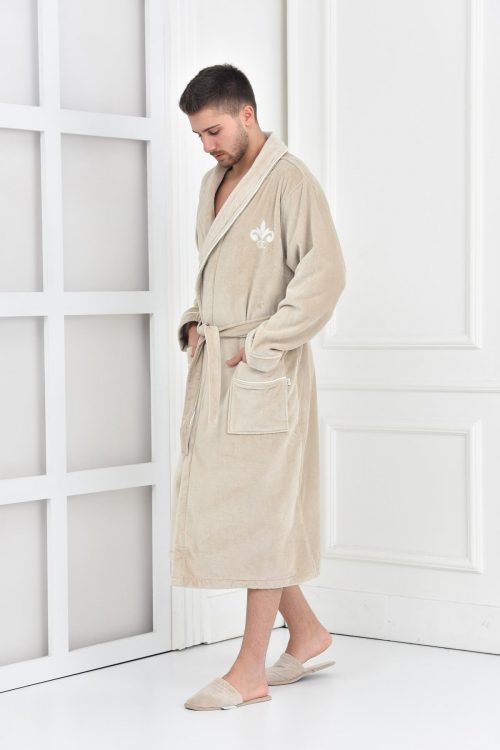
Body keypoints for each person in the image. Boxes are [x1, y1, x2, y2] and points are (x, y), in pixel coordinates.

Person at [171, 64, 347, 710]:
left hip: (263, 371)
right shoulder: (212, 183)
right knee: (244, 508)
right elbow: (216, 274)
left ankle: (249, 670)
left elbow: (325, 276)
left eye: (213, 130)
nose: (206, 145)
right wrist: (196, 319)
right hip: (220, 365)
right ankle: (307, 632)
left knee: (263, 514)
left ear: (247, 114)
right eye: (197, 135)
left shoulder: (289, 180)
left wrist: (265, 347)